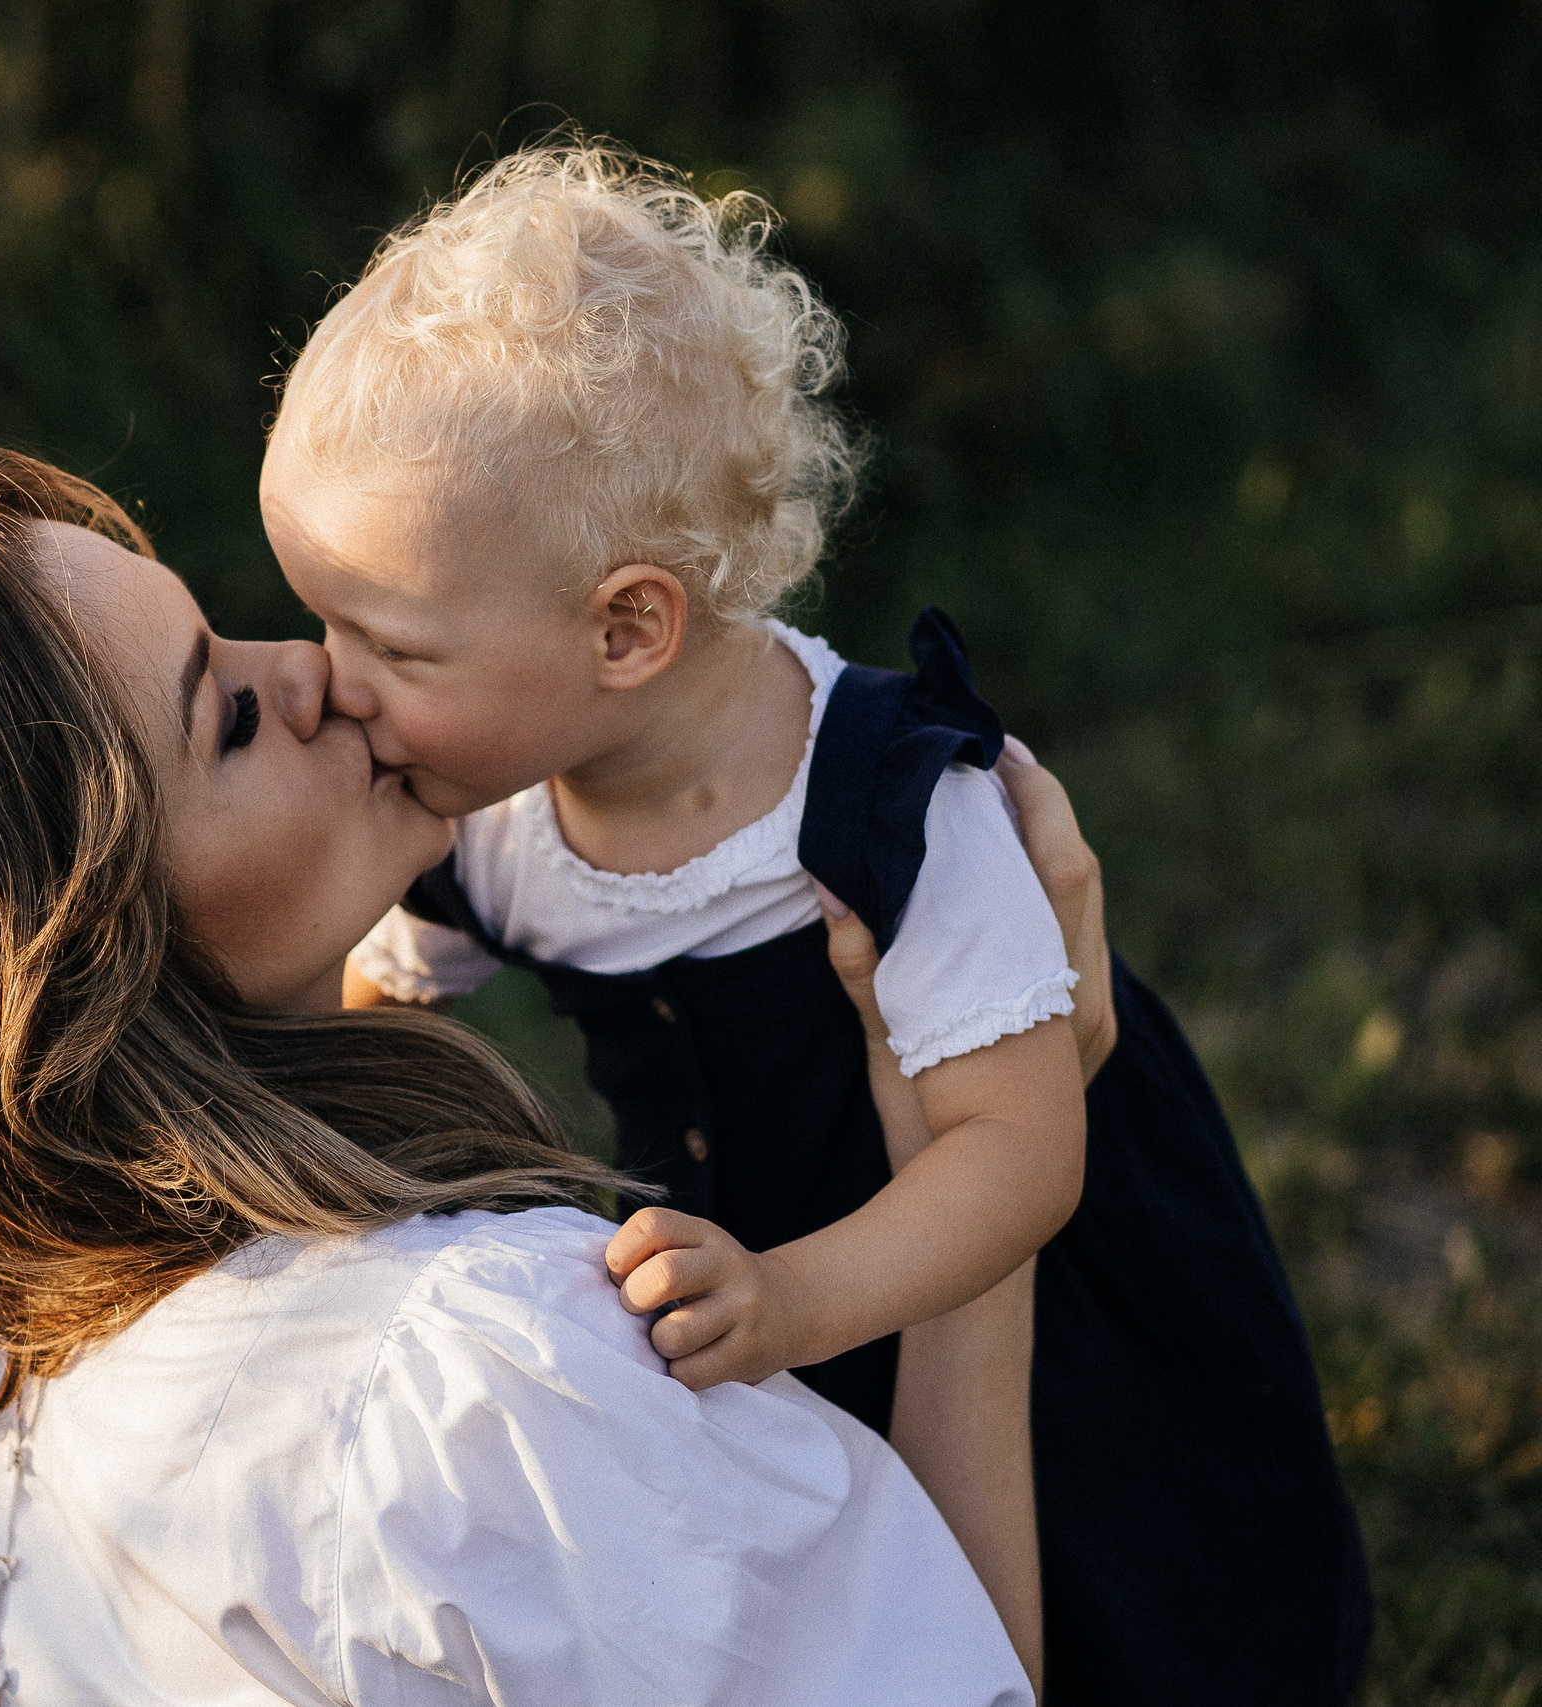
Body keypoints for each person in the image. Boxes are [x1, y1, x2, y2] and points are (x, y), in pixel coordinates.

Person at [0, 451, 1047, 1706]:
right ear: (82, 966)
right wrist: (981, 1180)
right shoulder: (476, 1398)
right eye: (227, 717)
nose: (306, 667)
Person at [269, 140, 1370, 1703]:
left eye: (388, 643)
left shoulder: (892, 807)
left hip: (995, 1267)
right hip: (751, 1279)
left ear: (627, 628)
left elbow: (1019, 1153)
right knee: (838, 1565)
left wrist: (794, 1298)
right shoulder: (489, 820)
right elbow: (379, 1025)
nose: (332, 680)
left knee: (1137, 1576)